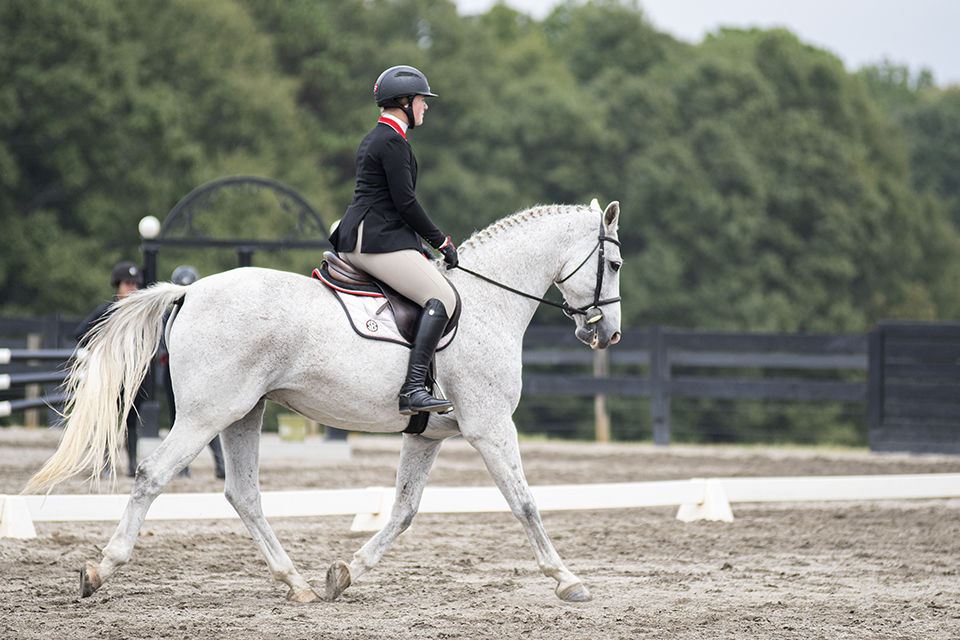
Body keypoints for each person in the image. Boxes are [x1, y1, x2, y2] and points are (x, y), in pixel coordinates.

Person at [329, 65, 458, 416]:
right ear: (403, 102)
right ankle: (414, 388)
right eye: (421, 100)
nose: (425, 107)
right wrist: (440, 242)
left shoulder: (379, 137)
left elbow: (391, 204)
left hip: (368, 233)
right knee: (442, 296)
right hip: (373, 240)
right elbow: (406, 203)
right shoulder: (392, 141)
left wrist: (416, 246)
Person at [74, 261, 144, 477]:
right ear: (118, 285)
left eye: (135, 284)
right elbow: (81, 333)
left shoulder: (141, 312)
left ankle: (132, 464)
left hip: (134, 373)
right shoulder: (106, 311)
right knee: (109, 418)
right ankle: (106, 462)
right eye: (127, 284)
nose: (132, 288)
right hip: (111, 373)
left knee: (132, 419)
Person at [160, 265, 226, 479]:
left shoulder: (206, 318)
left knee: (208, 419)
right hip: (173, 373)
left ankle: (220, 464)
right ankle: (182, 467)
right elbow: (162, 348)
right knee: (178, 420)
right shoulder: (167, 319)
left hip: (201, 374)